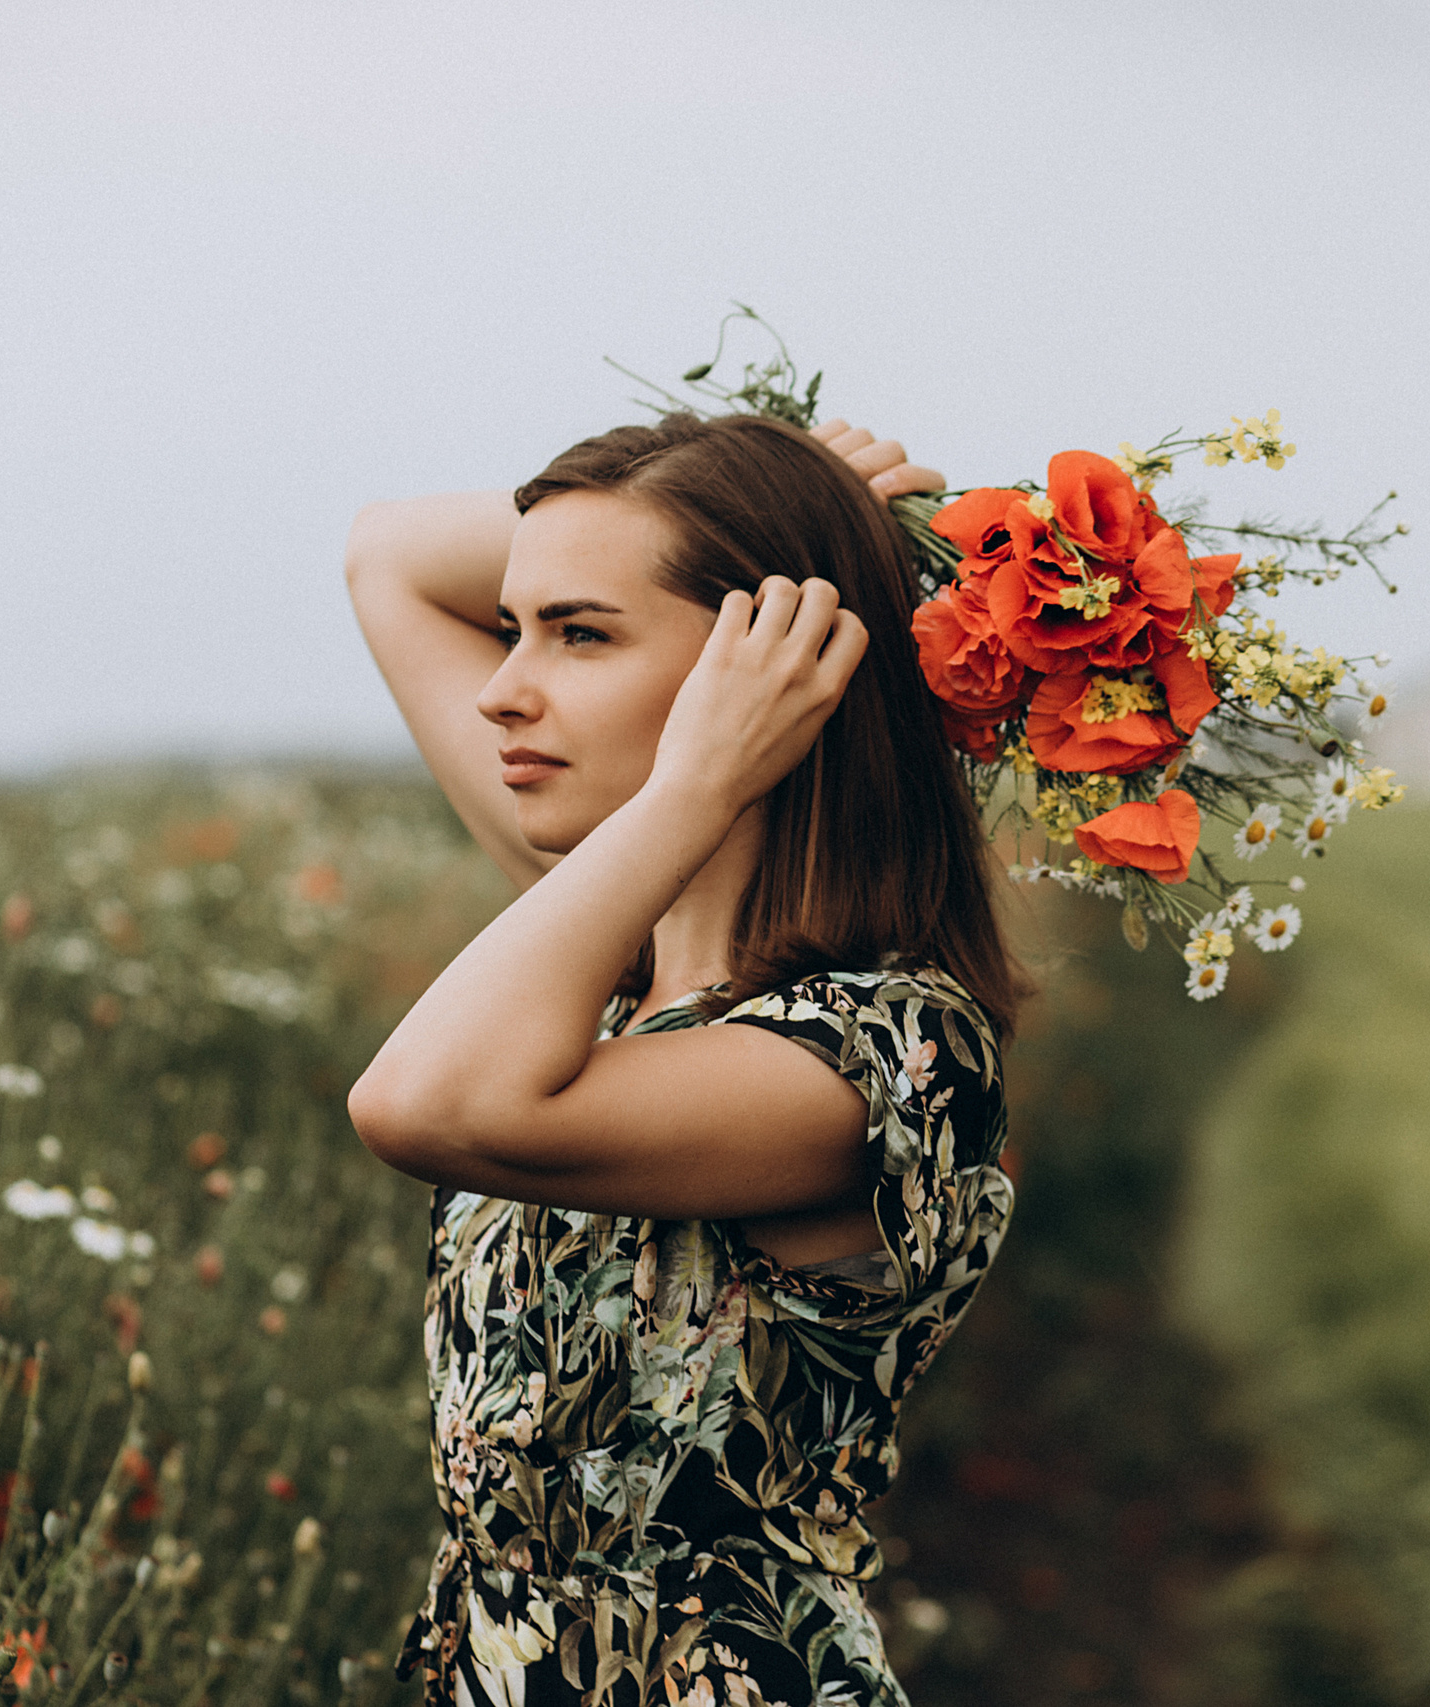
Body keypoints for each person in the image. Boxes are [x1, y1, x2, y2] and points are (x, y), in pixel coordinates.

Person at [344, 412, 1025, 1707]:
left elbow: (420, 1104)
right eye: (511, 627)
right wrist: (792, 502)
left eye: (579, 633)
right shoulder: (611, 981)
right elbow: (386, 556)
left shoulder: (881, 1051)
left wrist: (699, 776)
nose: (503, 685)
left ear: (764, 673)